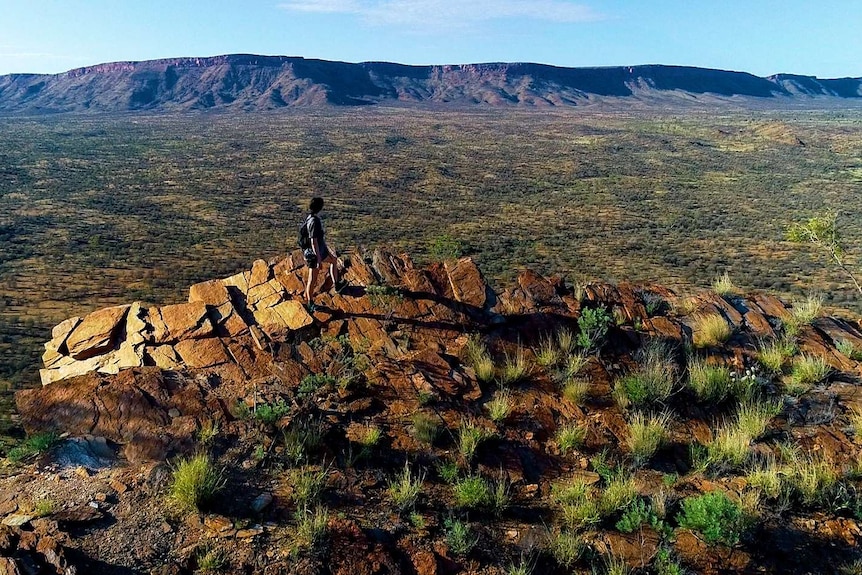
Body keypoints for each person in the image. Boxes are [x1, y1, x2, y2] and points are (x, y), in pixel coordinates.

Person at [303, 197, 345, 310]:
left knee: (334, 260)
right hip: (314, 255)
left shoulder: (309, 218)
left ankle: (337, 284)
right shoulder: (314, 221)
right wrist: (318, 259)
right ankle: (310, 303)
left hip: (318, 252)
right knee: (312, 278)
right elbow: (313, 241)